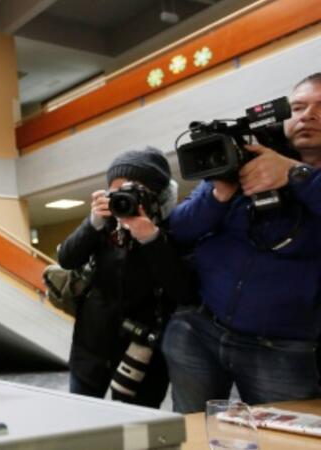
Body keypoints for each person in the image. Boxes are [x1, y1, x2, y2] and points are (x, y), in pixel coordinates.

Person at [162, 73, 321, 413]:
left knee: (288, 436)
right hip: (199, 330)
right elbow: (179, 228)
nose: (308, 115)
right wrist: (220, 193)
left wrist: (295, 174)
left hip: (283, 346)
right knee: (191, 431)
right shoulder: (242, 156)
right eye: (298, 107)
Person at [57, 147, 195, 408]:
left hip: (144, 351)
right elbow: (66, 259)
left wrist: (151, 239)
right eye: (116, 191)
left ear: (156, 195)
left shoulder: (175, 228)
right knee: (82, 417)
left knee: (138, 425)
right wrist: (93, 223)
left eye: (134, 191)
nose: (124, 198)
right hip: (91, 347)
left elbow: (184, 291)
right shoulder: (104, 224)